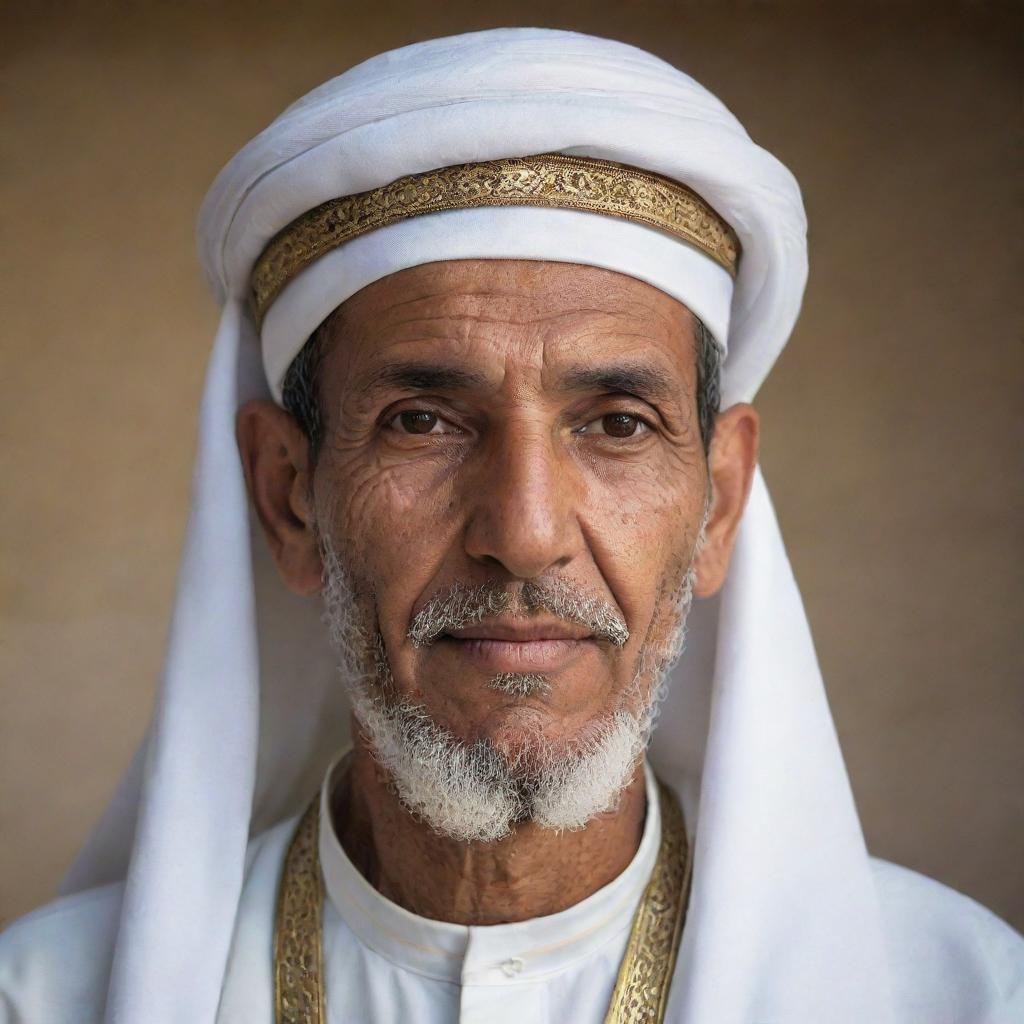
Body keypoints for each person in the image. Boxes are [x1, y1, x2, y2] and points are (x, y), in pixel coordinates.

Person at [0, 27, 1020, 1024]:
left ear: (717, 503)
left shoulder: (966, 996)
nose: (524, 533)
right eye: (423, 421)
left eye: (618, 424)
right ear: (288, 495)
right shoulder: (40, 998)